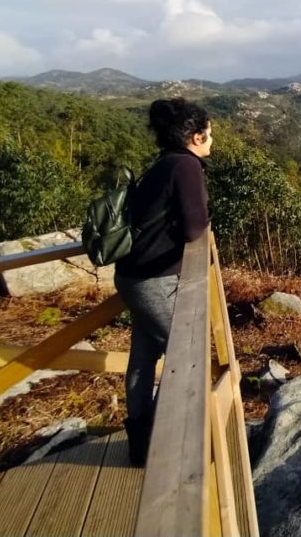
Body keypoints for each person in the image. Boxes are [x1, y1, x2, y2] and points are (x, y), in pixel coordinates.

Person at [114, 97, 213, 465]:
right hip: (153, 279)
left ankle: (140, 445)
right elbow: (193, 228)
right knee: (187, 357)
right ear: (196, 136)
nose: (212, 140)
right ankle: (163, 441)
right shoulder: (186, 167)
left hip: (133, 276)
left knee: (143, 358)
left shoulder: (164, 163)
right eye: (209, 133)